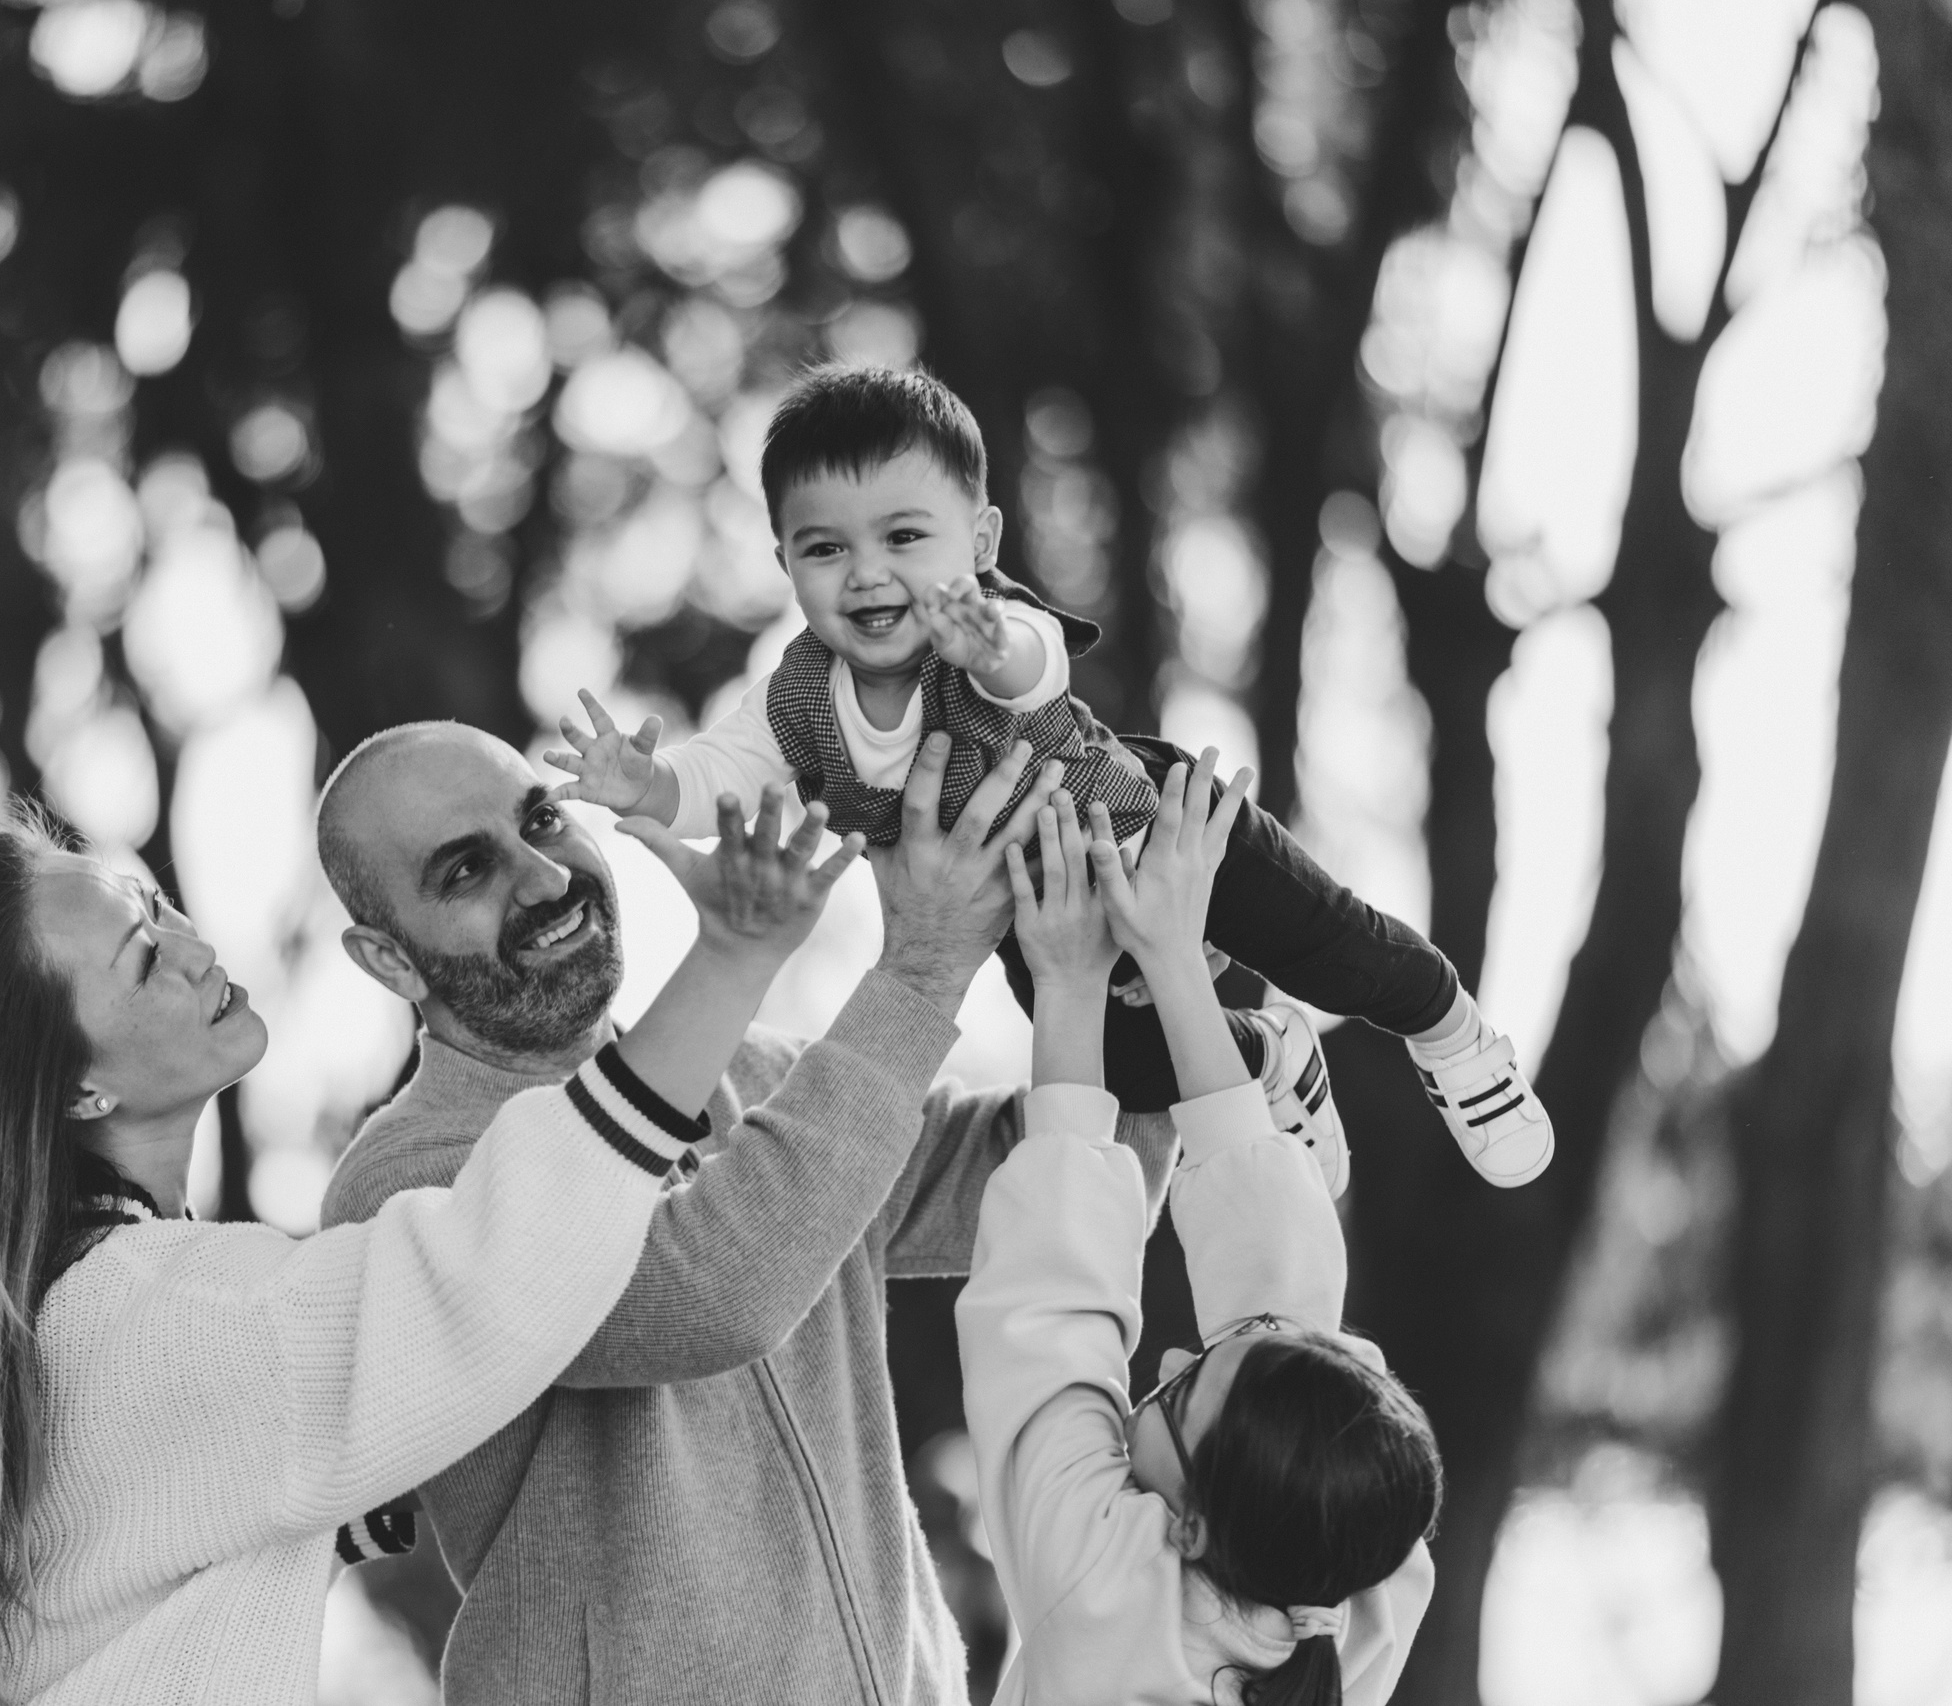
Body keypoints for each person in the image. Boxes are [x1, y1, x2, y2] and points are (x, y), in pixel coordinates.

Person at [0, 799, 859, 1706]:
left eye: (153, 905)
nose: (193, 945)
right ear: (77, 1089)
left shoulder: (65, 1332)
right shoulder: (158, 1322)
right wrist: (733, 956)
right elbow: (489, 1277)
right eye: (142, 959)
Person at [316, 722, 1166, 1706]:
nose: (545, 879)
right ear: (388, 961)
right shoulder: (402, 1187)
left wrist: (1148, 968)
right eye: (465, 871)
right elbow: (709, 1294)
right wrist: (921, 972)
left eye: (542, 819)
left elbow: (1069, 1190)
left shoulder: (760, 1074)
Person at [546, 363, 1551, 1193]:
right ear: (786, 562)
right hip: (1046, 921)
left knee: (1331, 946)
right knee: (1123, 1077)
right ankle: (1265, 1057)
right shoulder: (799, 695)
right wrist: (645, 784)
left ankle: (1449, 1027)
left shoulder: (991, 622)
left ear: (976, 545)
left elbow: (1033, 666)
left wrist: (984, 641)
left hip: (1159, 827)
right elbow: (723, 772)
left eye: (904, 538)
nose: (866, 574)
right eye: (825, 549)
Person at [957, 752, 1442, 1705]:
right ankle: (1269, 1059)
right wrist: (1170, 959)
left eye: (1175, 1396)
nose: (1172, 1354)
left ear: (1189, 1531)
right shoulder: (1349, 1589)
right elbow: (1284, 1332)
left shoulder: (1102, 1593)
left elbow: (1051, 1311)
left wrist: (1067, 981)